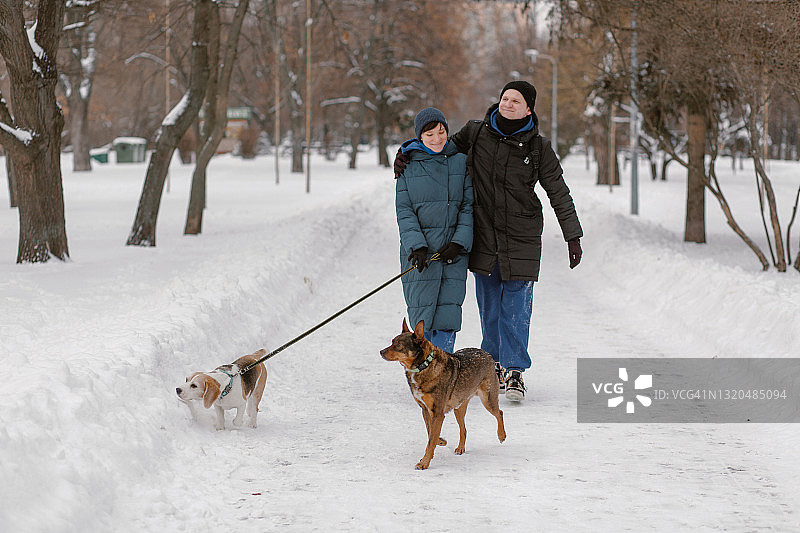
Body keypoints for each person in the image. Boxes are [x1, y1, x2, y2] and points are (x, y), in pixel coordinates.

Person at [395, 82, 583, 401]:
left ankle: (515, 370)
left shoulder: (539, 148)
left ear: (528, 109)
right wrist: (406, 152)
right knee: (490, 306)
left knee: (517, 307)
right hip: (484, 236)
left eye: (516, 101)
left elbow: (558, 191)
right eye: (504, 98)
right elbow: (439, 149)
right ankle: (493, 364)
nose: (507, 104)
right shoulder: (477, 132)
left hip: (522, 237)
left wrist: (572, 234)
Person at [395, 107, 474, 353]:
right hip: (420, 255)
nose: (437, 139)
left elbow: (468, 206)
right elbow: (404, 210)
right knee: (422, 317)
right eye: (429, 134)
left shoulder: (460, 161)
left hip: (452, 253)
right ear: (420, 136)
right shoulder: (407, 165)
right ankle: (425, 368)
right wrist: (416, 245)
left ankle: (443, 366)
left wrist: (459, 242)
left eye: (441, 132)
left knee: (448, 316)